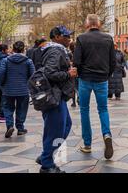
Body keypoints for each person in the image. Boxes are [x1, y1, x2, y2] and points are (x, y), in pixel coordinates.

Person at [74, 14, 116, 160]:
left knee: (84, 110)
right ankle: (107, 134)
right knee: (103, 109)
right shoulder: (108, 38)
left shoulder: (81, 38)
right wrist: (107, 75)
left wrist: (79, 73)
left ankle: (87, 144)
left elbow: (76, 61)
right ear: (98, 24)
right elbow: (113, 62)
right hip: (102, 79)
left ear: (87, 24)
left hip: (85, 79)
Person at [38, 26, 77, 173]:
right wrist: (69, 74)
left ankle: (45, 157)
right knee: (55, 131)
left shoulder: (57, 50)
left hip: (57, 96)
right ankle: (47, 164)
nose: (69, 39)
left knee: (64, 126)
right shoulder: (56, 50)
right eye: (66, 36)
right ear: (56, 36)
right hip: (54, 96)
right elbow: (50, 72)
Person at [0, 41, 35, 138]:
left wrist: (2, 85)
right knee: (22, 109)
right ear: (23, 49)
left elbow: (1, 74)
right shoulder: (28, 61)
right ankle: (20, 128)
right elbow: (33, 76)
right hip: (23, 90)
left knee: (8, 108)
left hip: (8, 90)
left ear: (13, 49)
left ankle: (9, 126)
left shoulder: (5, 60)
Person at [68, 42, 79, 107]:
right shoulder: (79, 53)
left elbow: (67, 63)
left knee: (73, 88)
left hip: (72, 72)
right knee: (78, 87)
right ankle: (79, 98)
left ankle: (74, 102)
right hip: (78, 72)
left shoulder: (69, 54)